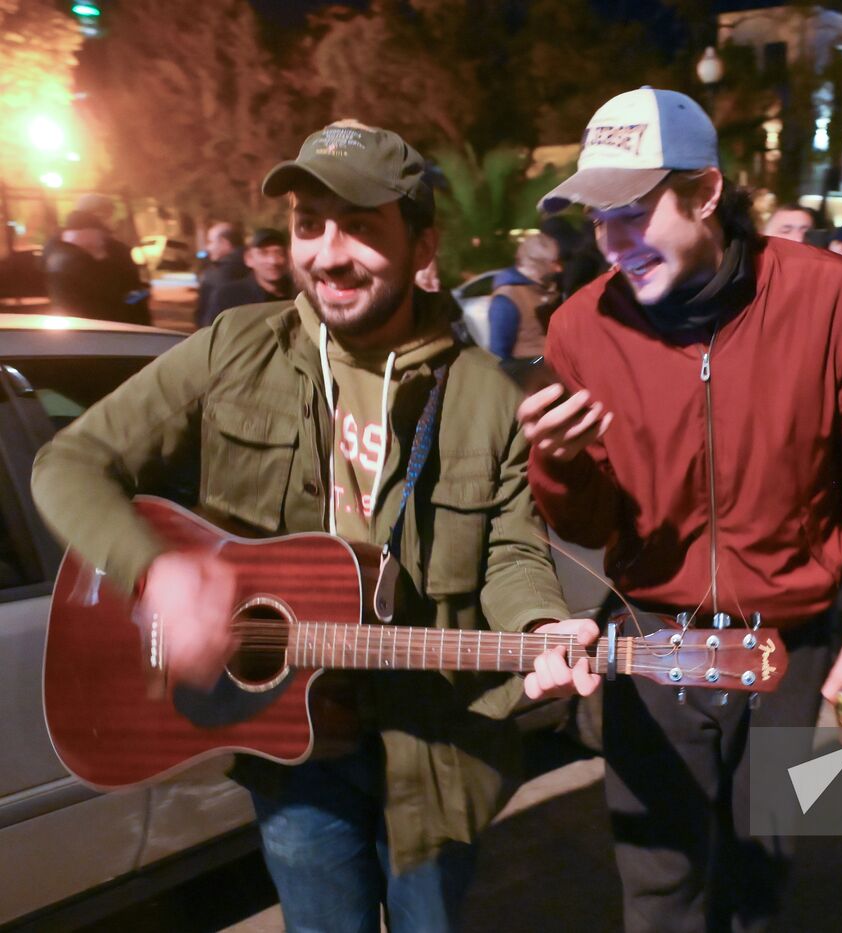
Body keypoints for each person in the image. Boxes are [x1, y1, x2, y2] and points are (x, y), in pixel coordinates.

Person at [31, 120, 598, 931]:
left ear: (423, 245)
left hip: (436, 750)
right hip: (290, 748)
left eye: (361, 226)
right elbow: (69, 462)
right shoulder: (234, 348)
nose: (328, 253)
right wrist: (155, 570)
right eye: (309, 225)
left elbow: (510, 547)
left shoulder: (485, 397)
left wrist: (541, 626)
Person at [520, 87, 842, 931]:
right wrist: (556, 468)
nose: (614, 244)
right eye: (598, 220)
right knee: (660, 880)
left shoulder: (834, 297)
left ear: (706, 192)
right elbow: (589, 525)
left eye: (632, 212)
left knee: (760, 865)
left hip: (792, 638)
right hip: (652, 636)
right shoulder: (578, 329)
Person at [43, 209, 151, 326]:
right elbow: (103, 298)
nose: (101, 237)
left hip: (125, 325)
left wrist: (135, 299)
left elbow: (135, 290)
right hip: (93, 328)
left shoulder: (116, 252)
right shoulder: (65, 261)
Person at [487, 233, 561, 360]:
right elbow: (499, 355)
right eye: (553, 263)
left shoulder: (548, 287)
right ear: (536, 264)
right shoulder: (507, 299)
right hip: (530, 372)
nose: (558, 269)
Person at [204, 227, 294, 321]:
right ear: (248, 259)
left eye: (279, 253)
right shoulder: (229, 296)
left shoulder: (299, 293)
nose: (273, 261)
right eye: (263, 253)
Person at [194, 221, 248, 328]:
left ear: (224, 243)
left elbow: (207, 315)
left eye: (211, 242)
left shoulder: (219, 274)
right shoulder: (254, 266)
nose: (208, 248)